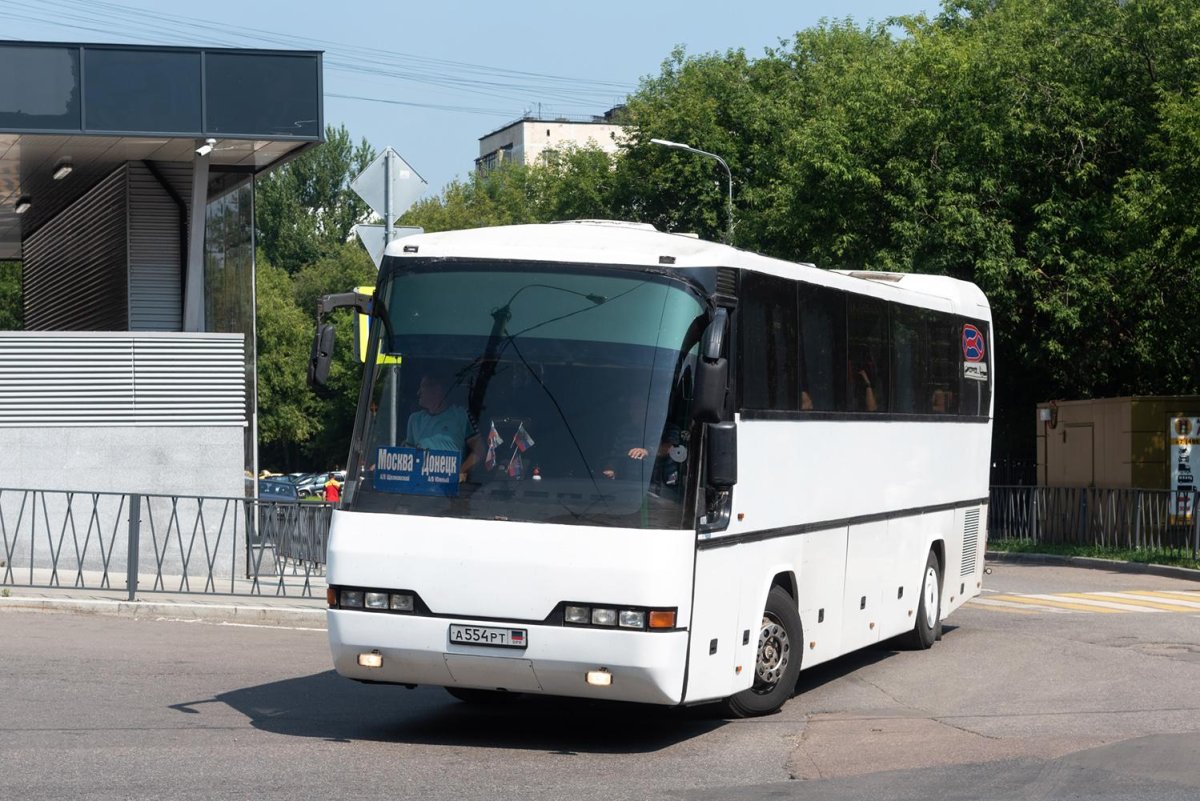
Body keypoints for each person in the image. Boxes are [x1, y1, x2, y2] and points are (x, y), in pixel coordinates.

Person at [403, 371, 482, 482]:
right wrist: (383, 466)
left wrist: (461, 471)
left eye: (423, 387)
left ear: (438, 390)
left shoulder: (462, 415)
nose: (418, 393)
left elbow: (479, 450)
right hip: (421, 485)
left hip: (450, 487)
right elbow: (407, 456)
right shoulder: (415, 420)